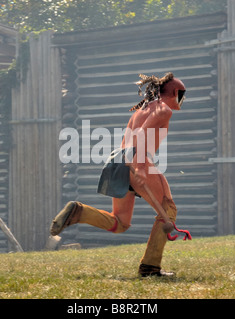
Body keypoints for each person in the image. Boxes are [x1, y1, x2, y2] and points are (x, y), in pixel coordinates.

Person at [50, 72, 190, 277]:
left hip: (118, 160)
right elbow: (141, 135)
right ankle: (150, 268)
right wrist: (140, 167)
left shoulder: (143, 109)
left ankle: (79, 212)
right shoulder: (163, 110)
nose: (182, 100)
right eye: (182, 95)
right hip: (136, 160)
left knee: (120, 223)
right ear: (175, 93)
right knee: (168, 208)